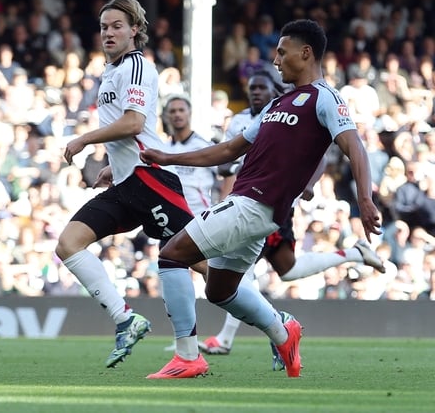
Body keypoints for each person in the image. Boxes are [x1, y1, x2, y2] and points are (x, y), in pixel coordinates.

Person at [140, 19, 382, 378]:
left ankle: (188, 357)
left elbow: (355, 146)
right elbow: (227, 150)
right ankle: (283, 332)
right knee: (220, 291)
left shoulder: (325, 98)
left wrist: (365, 198)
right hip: (252, 209)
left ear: (306, 53)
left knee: (171, 254)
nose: (277, 61)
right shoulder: (277, 104)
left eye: (282, 53)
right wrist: (169, 158)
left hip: (254, 205)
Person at [198, 70, 386, 362]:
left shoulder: (290, 110)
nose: (256, 92)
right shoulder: (240, 120)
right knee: (287, 269)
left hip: (269, 203)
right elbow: (230, 155)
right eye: (252, 88)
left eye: (262, 87)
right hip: (245, 199)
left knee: (237, 273)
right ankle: (352, 254)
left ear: (273, 90)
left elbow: (322, 154)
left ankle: (238, 335)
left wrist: (309, 186)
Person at [57, 0, 197, 369]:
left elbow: (135, 123)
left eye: (117, 25)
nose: (108, 33)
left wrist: (86, 139)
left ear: (135, 29)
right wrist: (112, 166)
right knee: (69, 244)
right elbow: (127, 134)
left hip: (150, 178)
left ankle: (273, 322)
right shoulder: (112, 70)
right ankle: (126, 320)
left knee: (200, 262)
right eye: (104, 27)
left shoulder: (136, 66)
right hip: (126, 182)